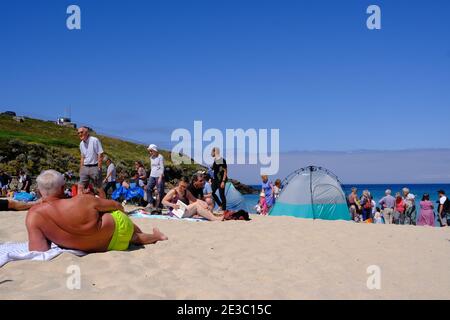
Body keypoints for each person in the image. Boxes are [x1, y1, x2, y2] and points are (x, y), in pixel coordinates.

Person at [26, 170, 167, 252]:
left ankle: (154, 236)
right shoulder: (83, 200)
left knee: (132, 236)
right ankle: (156, 236)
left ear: (38, 192)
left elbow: (39, 250)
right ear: (63, 188)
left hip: (107, 245)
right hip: (117, 229)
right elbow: (116, 205)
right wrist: (121, 211)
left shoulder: (34, 215)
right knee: (130, 230)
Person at [77, 126, 106, 198]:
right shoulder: (81, 144)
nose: (80, 134)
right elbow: (82, 157)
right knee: (80, 187)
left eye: (81, 132)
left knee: (99, 188)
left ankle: (104, 202)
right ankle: (81, 205)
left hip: (94, 166)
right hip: (85, 167)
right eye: (78, 133)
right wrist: (81, 169)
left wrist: (99, 168)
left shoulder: (94, 140)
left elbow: (100, 153)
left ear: (86, 132)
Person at [145, 144, 165, 210]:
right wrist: (150, 176)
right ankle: (150, 203)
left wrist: (160, 177)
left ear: (154, 150)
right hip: (152, 175)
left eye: (151, 151)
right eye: (149, 151)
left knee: (160, 191)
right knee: (148, 188)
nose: (150, 152)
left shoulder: (160, 157)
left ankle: (159, 206)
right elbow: (152, 167)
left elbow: (162, 167)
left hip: (159, 176)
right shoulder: (151, 158)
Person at [211, 147, 227, 212]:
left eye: (212, 151)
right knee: (211, 193)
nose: (211, 153)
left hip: (220, 180)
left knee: (221, 195)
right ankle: (220, 205)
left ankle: (224, 209)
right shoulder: (215, 160)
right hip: (215, 180)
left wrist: (223, 181)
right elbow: (215, 170)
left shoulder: (221, 160)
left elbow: (225, 171)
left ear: (215, 152)